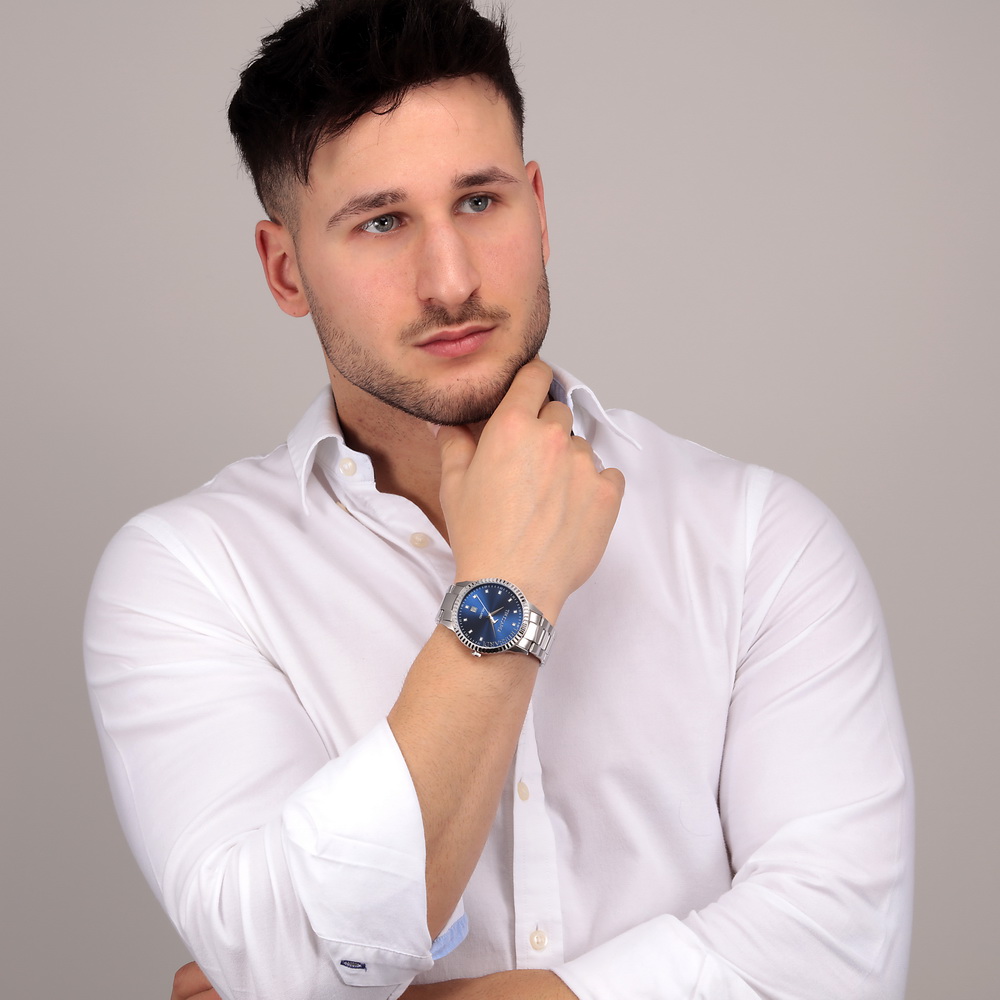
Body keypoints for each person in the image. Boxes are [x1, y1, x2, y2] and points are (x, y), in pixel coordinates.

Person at [84, 2, 914, 998]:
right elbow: (292, 959)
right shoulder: (189, 578)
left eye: (479, 201)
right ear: (285, 268)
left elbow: (839, 960)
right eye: (381, 222)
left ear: (538, 208)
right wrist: (506, 591)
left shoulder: (757, 538)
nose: (451, 281)